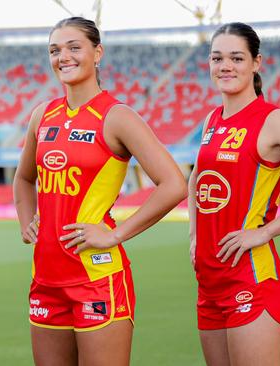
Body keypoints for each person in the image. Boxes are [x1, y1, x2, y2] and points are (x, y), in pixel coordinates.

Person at [13, 17, 187, 366]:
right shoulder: (42, 115)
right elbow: (23, 179)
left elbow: (174, 184)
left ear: (98, 53)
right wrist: (25, 221)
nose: (63, 56)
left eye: (74, 47)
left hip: (97, 277)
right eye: (55, 50)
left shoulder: (116, 116)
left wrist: (116, 234)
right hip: (45, 277)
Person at [188, 22, 280, 366]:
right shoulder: (211, 120)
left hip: (252, 278)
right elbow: (196, 181)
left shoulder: (274, 120)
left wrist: (264, 232)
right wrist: (194, 235)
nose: (225, 66)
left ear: (256, 63)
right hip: (209, 281)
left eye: (236, 57)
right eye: (217, 58)